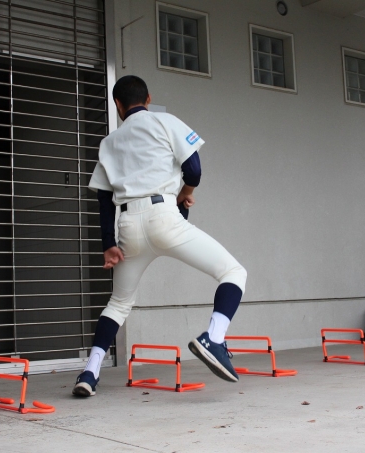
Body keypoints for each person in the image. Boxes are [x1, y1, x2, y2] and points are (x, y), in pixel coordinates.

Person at [72, 75, 247, 397]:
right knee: (234, 272)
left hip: (127, 225)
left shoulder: (109, 142)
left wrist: (108, 245)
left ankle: (90, 371)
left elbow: (103, 200)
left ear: (117, 104)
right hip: (163, 216)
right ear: (148, 99)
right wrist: (185, 194)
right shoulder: (166, 121)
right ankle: (214, 339)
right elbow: (193, 170)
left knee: (119, 303)